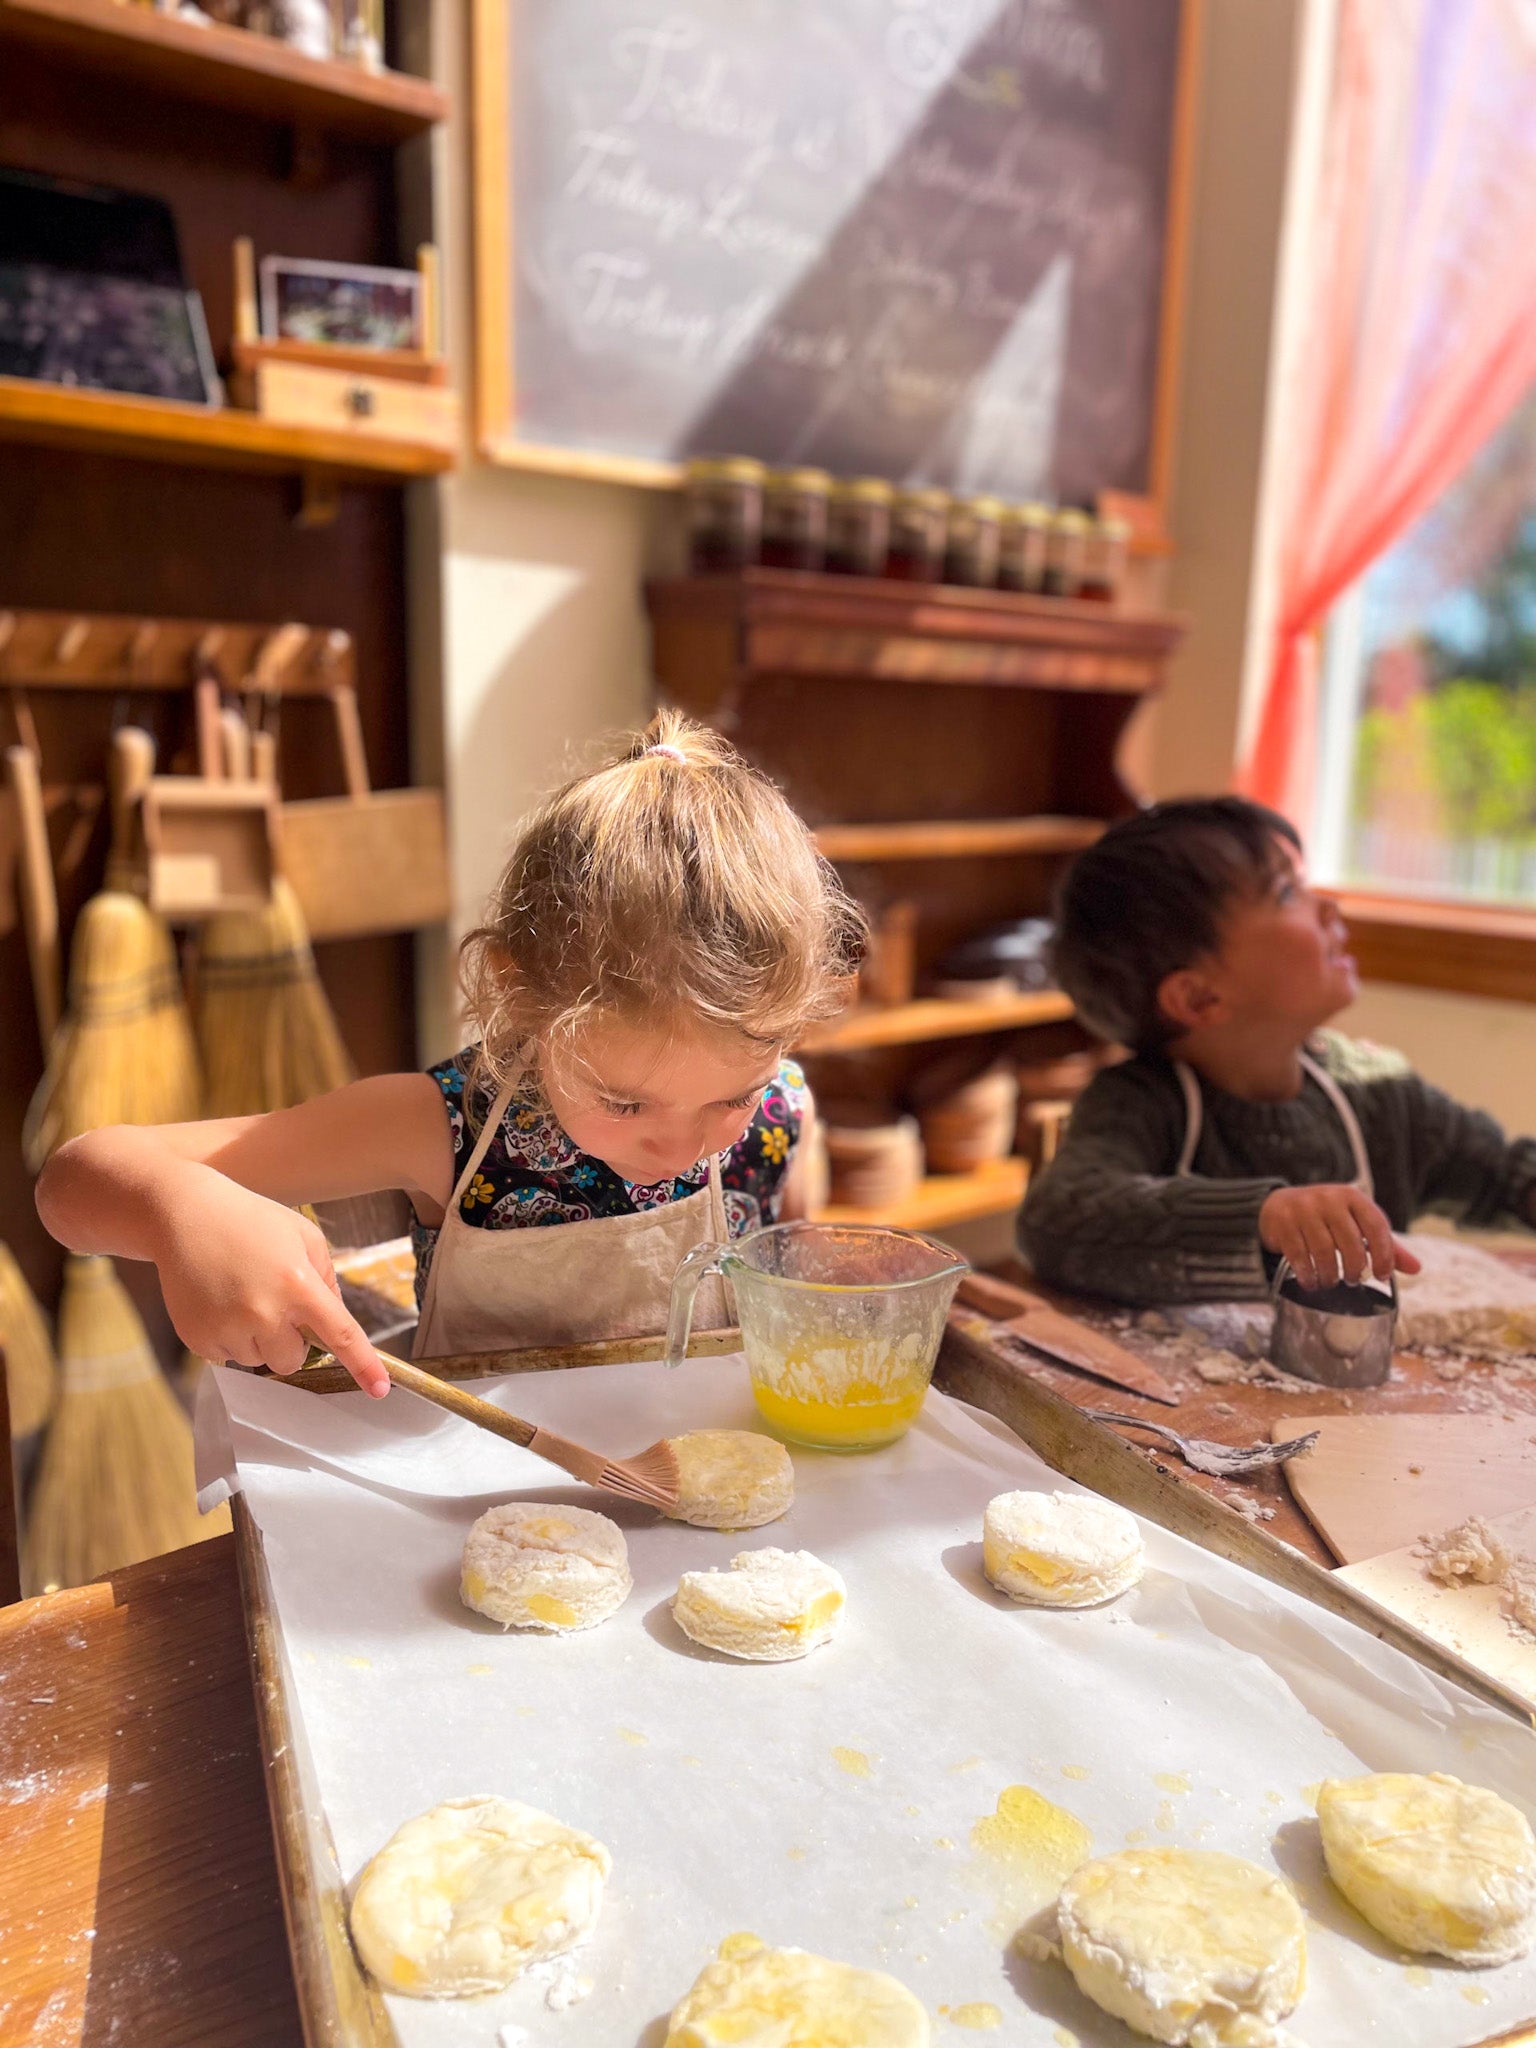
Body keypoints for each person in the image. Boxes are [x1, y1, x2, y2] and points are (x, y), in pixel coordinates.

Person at [37, 714, 863, 1395]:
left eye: (729, 1098)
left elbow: (785, 1284)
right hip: (475, 1519)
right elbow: (70, 1185)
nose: (682, 1145)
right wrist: (178, 1209)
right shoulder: (442, 1127)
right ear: (519, 998)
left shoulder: (782, 1113)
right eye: (623, 1102)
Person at [1017, 797, 1536, 1306]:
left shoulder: (1382, 1097)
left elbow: (1508, 1176)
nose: (1330, 905)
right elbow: (1057, 1221)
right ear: (1200, 998)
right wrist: (1262, 1217)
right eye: (1288, 892)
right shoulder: (1140, 1103)